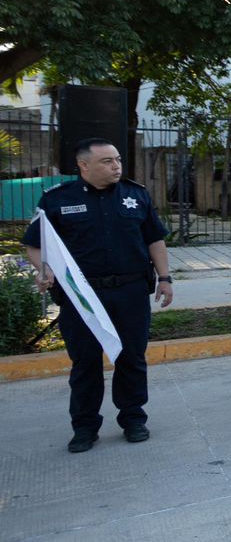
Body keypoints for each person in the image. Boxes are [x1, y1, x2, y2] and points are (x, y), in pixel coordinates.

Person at [23, 138, 174, 453]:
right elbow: (35, 245)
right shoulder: (56, 200)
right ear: (84, 165)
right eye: (107, 161)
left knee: (131, 357)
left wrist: (165, 278)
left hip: (130, 291)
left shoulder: (137, 195)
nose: (116, 165)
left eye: (117, 159)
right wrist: (44, 270)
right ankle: (85, 426)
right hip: (82, 296)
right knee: (85, 362)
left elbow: (155, 240)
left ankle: (133, 419)